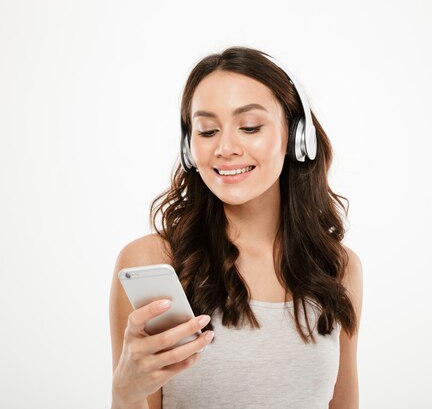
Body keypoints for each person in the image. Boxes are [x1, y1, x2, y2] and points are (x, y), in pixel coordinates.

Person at [109, 46, 363, 409]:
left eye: (249, 127)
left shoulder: (338, 266)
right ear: (188, 148)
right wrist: (125, 391)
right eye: (208, 130)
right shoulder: (150, 261)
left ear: (296, 136)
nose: (225, 148)